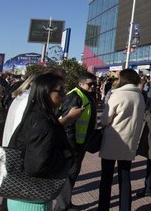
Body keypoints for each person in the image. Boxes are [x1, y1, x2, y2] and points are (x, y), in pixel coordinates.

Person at [7, 73, 74, 211]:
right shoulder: (42, 122)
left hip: (24, 196)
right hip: (31, 201)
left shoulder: (36, 114)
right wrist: (64, 155)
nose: (64, 94)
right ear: (46, 91)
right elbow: (36, 167)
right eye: (60, 90)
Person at [98, 69, 146, 211]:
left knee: (106, 178)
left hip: (112, 140)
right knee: (125, 178)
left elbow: (105, 119)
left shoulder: (117, 94)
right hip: (130, 140)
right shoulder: (140, 96)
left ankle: (103, 208)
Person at [54, 73, 98, 211]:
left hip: (81, 142)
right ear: (81, 84)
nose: (93, 86)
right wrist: (70, 144)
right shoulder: (74, 96)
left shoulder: (87, 95)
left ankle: (66, 203)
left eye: (95, 84)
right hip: (73, 143)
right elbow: (67, 121)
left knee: (73, 173)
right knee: (69, 173)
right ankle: (62, 206)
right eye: (90, 84)